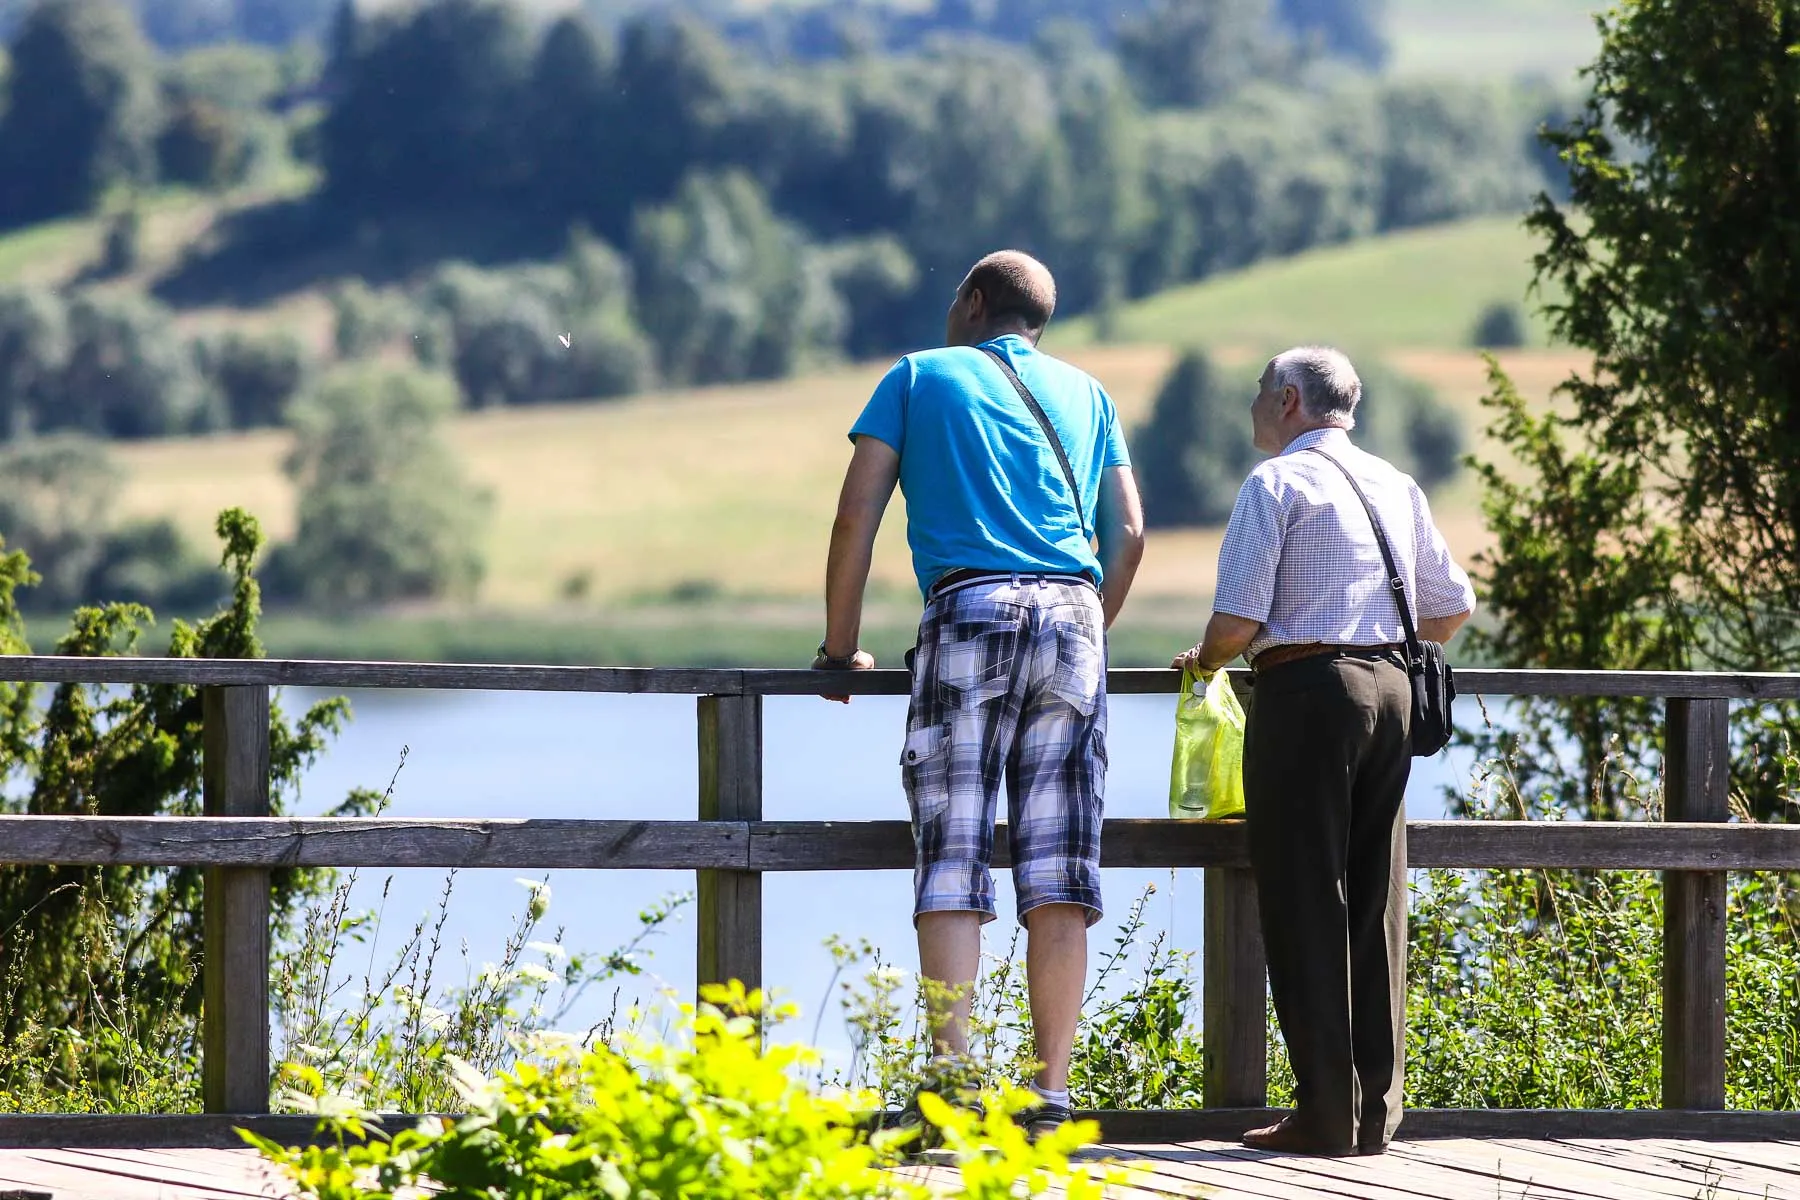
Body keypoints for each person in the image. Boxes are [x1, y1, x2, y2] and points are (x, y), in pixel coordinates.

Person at [812, 249, 1146, 1142]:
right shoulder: (1089, 394)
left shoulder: (917, 376)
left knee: (955, 853)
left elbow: (855, 517)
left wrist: (840, 652)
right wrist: (1088, 629)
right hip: (1074, 618)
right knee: (1060, 866)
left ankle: (954, 1090)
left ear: (973, 300)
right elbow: (1130, 531)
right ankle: (1050, 1097)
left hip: (970, 609)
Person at [1172, 346, 1475, 1158]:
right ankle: (1375, 1114)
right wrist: (1372, 635)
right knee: (1373, 900)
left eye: (1259, 392)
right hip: (1394, 694)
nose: (1252, 405)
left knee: (1306, 897)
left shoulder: (1275, 484)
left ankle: (1324, 1116)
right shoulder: (1395, 484)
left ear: (1289, 401)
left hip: (1309, 695)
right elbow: (1452, 605)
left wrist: (1204, 661)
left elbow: (1238, 622)